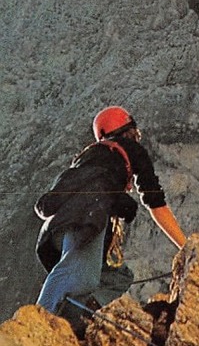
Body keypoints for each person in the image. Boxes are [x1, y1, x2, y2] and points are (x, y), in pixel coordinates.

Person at [35, 106, 187, 329]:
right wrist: (185, 246)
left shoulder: (89, 158)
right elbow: (156, 203)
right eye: (134, 132)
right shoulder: (129, 150)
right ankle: (37, 324)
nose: (137, 137)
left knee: (118, 277)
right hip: (85, 220)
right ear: (128, 131)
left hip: (58, 229)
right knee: (78, 276)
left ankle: (74, 322)